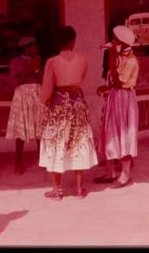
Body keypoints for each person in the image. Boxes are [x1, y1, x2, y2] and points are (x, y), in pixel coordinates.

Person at [39, 26, 98, 200]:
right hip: (77, 101)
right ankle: (79, 189)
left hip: (59, 103)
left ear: (58, 43)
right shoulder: (82, 60)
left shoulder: (52, 62)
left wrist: (45, 103)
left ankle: (56, 191)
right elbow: (81, 78)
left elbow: (47, 88)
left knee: (57, 141)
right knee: (78, 140)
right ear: (73, 41)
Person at [94, 25, 139, 188]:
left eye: (115, 40)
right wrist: (105, 88)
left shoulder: (131, 60)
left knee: (123, 133)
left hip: (124, 100)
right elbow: (113, 82)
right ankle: (110, 172)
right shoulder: (120, 57)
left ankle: (125, 175)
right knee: (110, 133)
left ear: (123, 42)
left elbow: (120, 82)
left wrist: (112, 57)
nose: (113, 43)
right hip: (115, 97)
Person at [5, 36, 44, 174]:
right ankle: (18, 163)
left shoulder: (38, 60)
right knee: (21, 132)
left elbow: (42, 80)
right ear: (26, 48)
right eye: (34, 46)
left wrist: (37, 69)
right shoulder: (15, 62)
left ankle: (42, 159)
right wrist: (31, 69)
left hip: (38, 95)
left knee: (40, 128)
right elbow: (15, 83)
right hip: (22, 97)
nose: (36, 49)